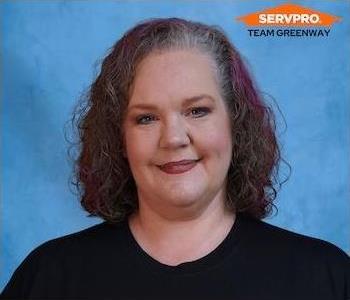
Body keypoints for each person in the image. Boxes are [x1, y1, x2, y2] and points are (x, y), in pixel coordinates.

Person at [1, 17, 349, 300]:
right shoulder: (48, 278)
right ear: (118, 138)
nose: (173, 138)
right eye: (146, 118)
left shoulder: (325, 277)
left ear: (236, 125)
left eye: (197, 110)